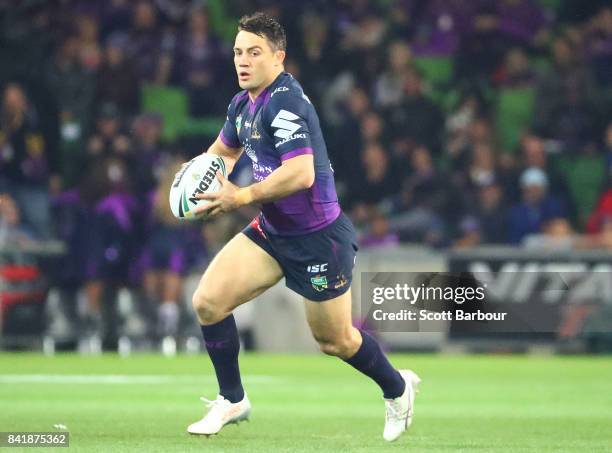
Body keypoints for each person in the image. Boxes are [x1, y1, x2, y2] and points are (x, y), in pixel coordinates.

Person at [184, 12, 420, 442]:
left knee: (335, 341)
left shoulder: (284, 101)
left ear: (278, 57)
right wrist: (199, 177)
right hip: (273, 231)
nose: (243, 60)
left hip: (318, 240)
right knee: (208, 303)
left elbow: (301, 174)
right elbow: (223, 151)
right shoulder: (242, 104)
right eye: (238, 52)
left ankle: (398, 387)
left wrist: (238, 196)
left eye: (254, 52)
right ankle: (232, 398)